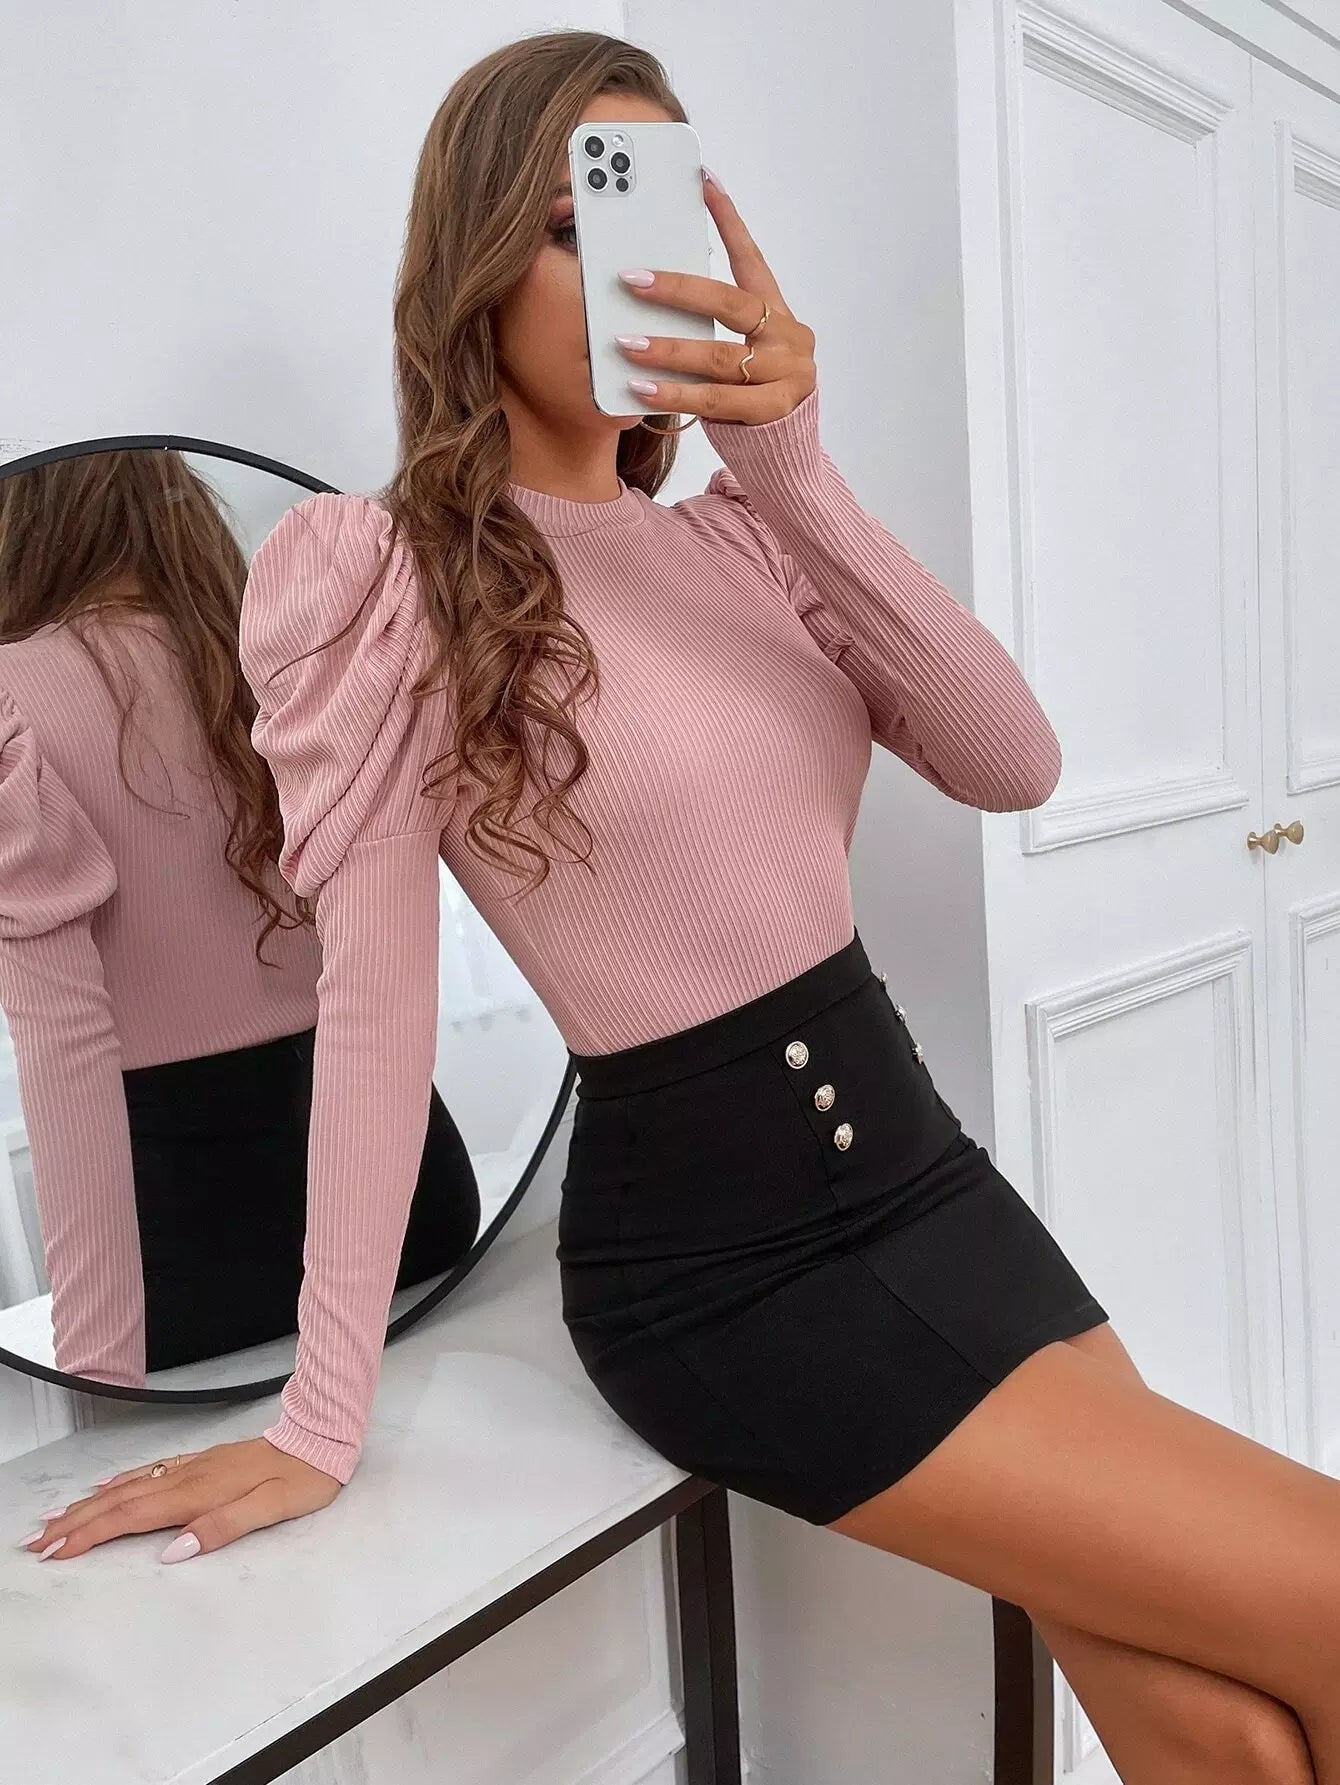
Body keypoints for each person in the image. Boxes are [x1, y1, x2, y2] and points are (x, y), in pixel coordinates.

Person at [28, 30, 1340, 1781]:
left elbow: (1012, 759)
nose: (631, 265)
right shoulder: (384, 579)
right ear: (474, 261)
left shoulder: (748, 538)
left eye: (659, 216)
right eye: (577, 222)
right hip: (722, 1270)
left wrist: (793, 466)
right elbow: (374, 1006)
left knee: (1228, 1729)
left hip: (926, 1177)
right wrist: (318, 1418)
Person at [0, 451, 478, 1382]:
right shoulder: (285, 660)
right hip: (413, 1196)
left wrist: (97, 1373)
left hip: (186, 1243)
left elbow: (65, 1045)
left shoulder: (14, 696)